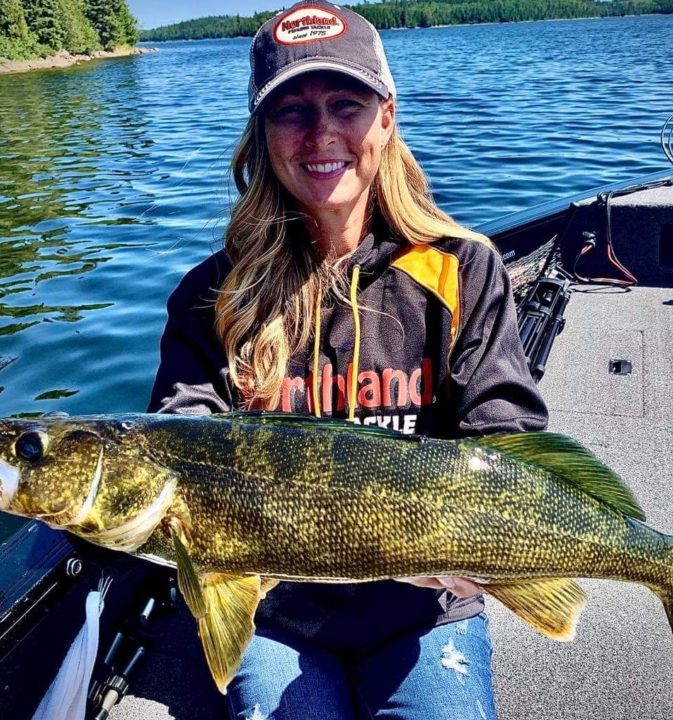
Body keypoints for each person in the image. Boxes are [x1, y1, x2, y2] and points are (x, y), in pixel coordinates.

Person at [148, 2, 548, 718]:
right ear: (262, 135)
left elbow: (505, 437)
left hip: (424, 613)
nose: (321, 133)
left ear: (386, 119)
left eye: (345, 104)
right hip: (275, 613)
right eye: (290, 111)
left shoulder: (462, 269)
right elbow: (181, 438)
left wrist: (479, 550)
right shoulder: (210, 295)